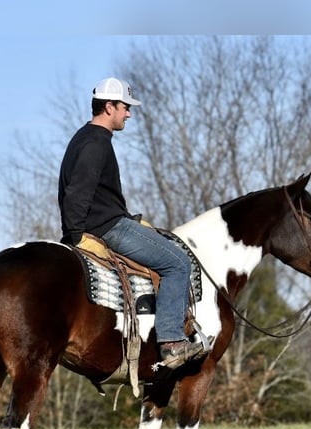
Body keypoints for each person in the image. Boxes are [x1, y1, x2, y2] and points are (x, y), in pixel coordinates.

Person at [58, 77, 207, 369]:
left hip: (108, 221)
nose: (129, 113)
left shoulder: (84, 137)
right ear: (109, 106)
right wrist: (75, 235)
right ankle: (172, 343)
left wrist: (132, 219)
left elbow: (93, 193)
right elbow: (77, 191)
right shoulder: (97, 144)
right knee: (178, 263)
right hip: (108, 229)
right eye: (125, 107)